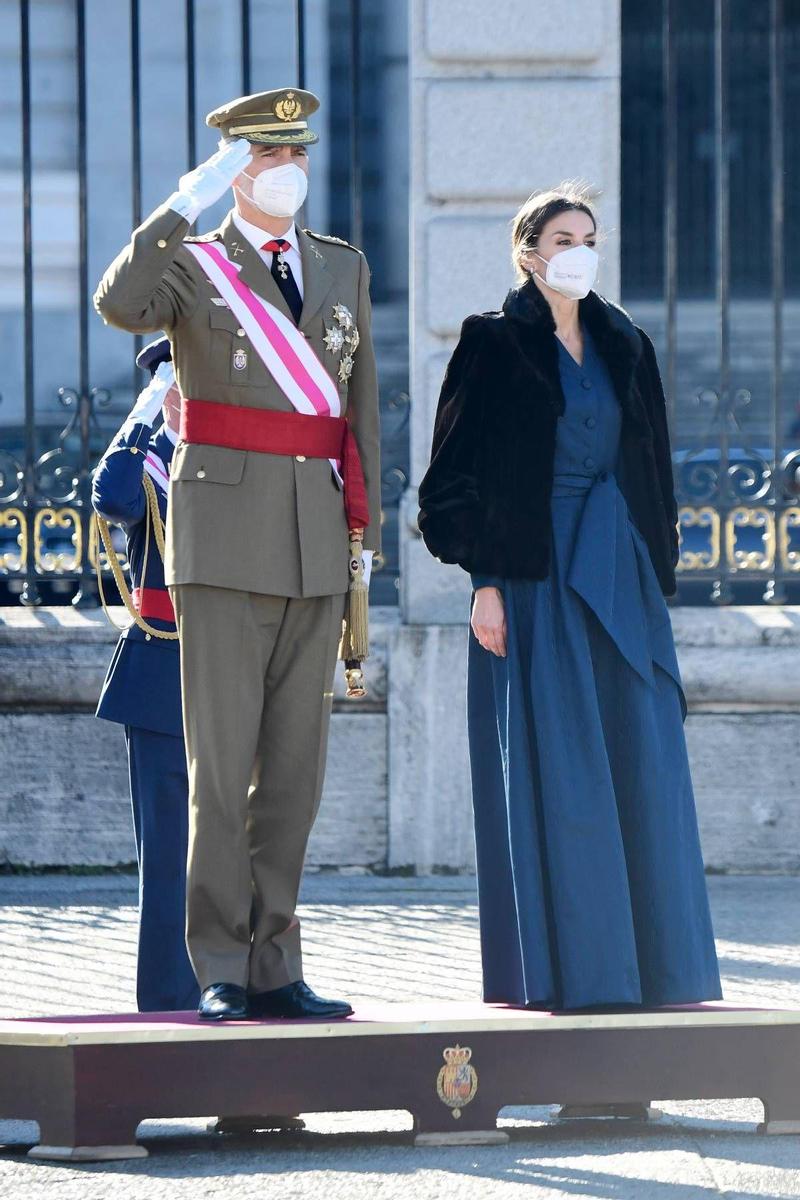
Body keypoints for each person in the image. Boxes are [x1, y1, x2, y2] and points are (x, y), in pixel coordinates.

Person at [94, 88, 381, 1022]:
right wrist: (186, 200)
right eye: (263, 157)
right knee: (220, 773)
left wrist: (359, 545)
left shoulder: (341, 269)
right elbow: (119, 302)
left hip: (312, 545)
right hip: (220, 544)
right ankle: (218, 960)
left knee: (293, 776)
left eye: (293, 153)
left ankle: (276, 963)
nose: (285, 169)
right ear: (234, 169)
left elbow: (357, 412)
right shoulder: (192, 264)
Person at [418, 185, 722, 1012]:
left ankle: (659, 971)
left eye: (589, 235)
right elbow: (448, 485)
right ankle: (572, 975)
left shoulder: (626, 342)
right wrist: (485, 583)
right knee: (566, 773)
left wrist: (657, 574)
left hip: (618, 571)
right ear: (529, 252)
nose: (580, 249)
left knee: (641, 760)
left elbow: (650, 471)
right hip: (534, 577)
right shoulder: (491, 345)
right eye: (563, 236)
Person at [92, 338, 199, 1013]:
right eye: (177, 378)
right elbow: (112, 497)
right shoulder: (152, 456)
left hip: (243, 667)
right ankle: (169, 1002)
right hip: (165, 668)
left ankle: (240, 989)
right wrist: (148, 407)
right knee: (169, 855)